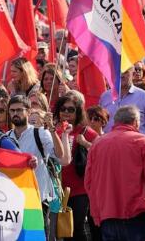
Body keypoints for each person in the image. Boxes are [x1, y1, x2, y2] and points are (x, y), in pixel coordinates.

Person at [85, 105, 145, 240]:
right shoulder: (142, 141)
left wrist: (97, 213)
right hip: (137, 214)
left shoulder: (97, 144)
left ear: (115, 122)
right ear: (136, 122)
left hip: (108, 215)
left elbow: (89, 183)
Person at [5, 95, 59, 236]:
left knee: (37, 236)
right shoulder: (6, 137)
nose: (15, 114)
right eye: (12, 111)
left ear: (28, 112)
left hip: (38, 198)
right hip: (14, 199)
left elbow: (59, 155)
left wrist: (53, 129)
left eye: (19, 110)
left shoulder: (40, 133)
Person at [54, 92, 98, 241]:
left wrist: (85, 143)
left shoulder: (86, 131)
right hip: (57, 189)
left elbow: (102, 152)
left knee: (76, 228)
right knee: (62, 230)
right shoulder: (52, 131)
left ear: (78, 112)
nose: (66, 112)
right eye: (63, 108)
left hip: (80, 190)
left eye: (71, 109)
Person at [99, 67, 145, 134]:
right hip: (109, 143)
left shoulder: (144, 97)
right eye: (118, 72)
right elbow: (99, 124)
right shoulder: (105, 97)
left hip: (136, 143)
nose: (121, 75)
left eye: (125, 72)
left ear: (133, 74)